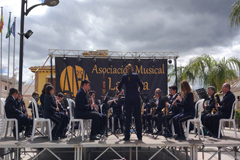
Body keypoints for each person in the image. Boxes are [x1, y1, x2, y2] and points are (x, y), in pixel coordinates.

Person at [118, 64, 143, 141]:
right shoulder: (136, 76)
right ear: (132, 69)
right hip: (136, 97)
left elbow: (119, 86)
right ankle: (139, 136)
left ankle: (127, 136)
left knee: (127, 117)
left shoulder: (124, 77)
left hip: (128, 98)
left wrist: (121, 91)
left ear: (126, 70)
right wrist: (139, 90)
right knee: (137, 117)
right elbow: (141, 85)